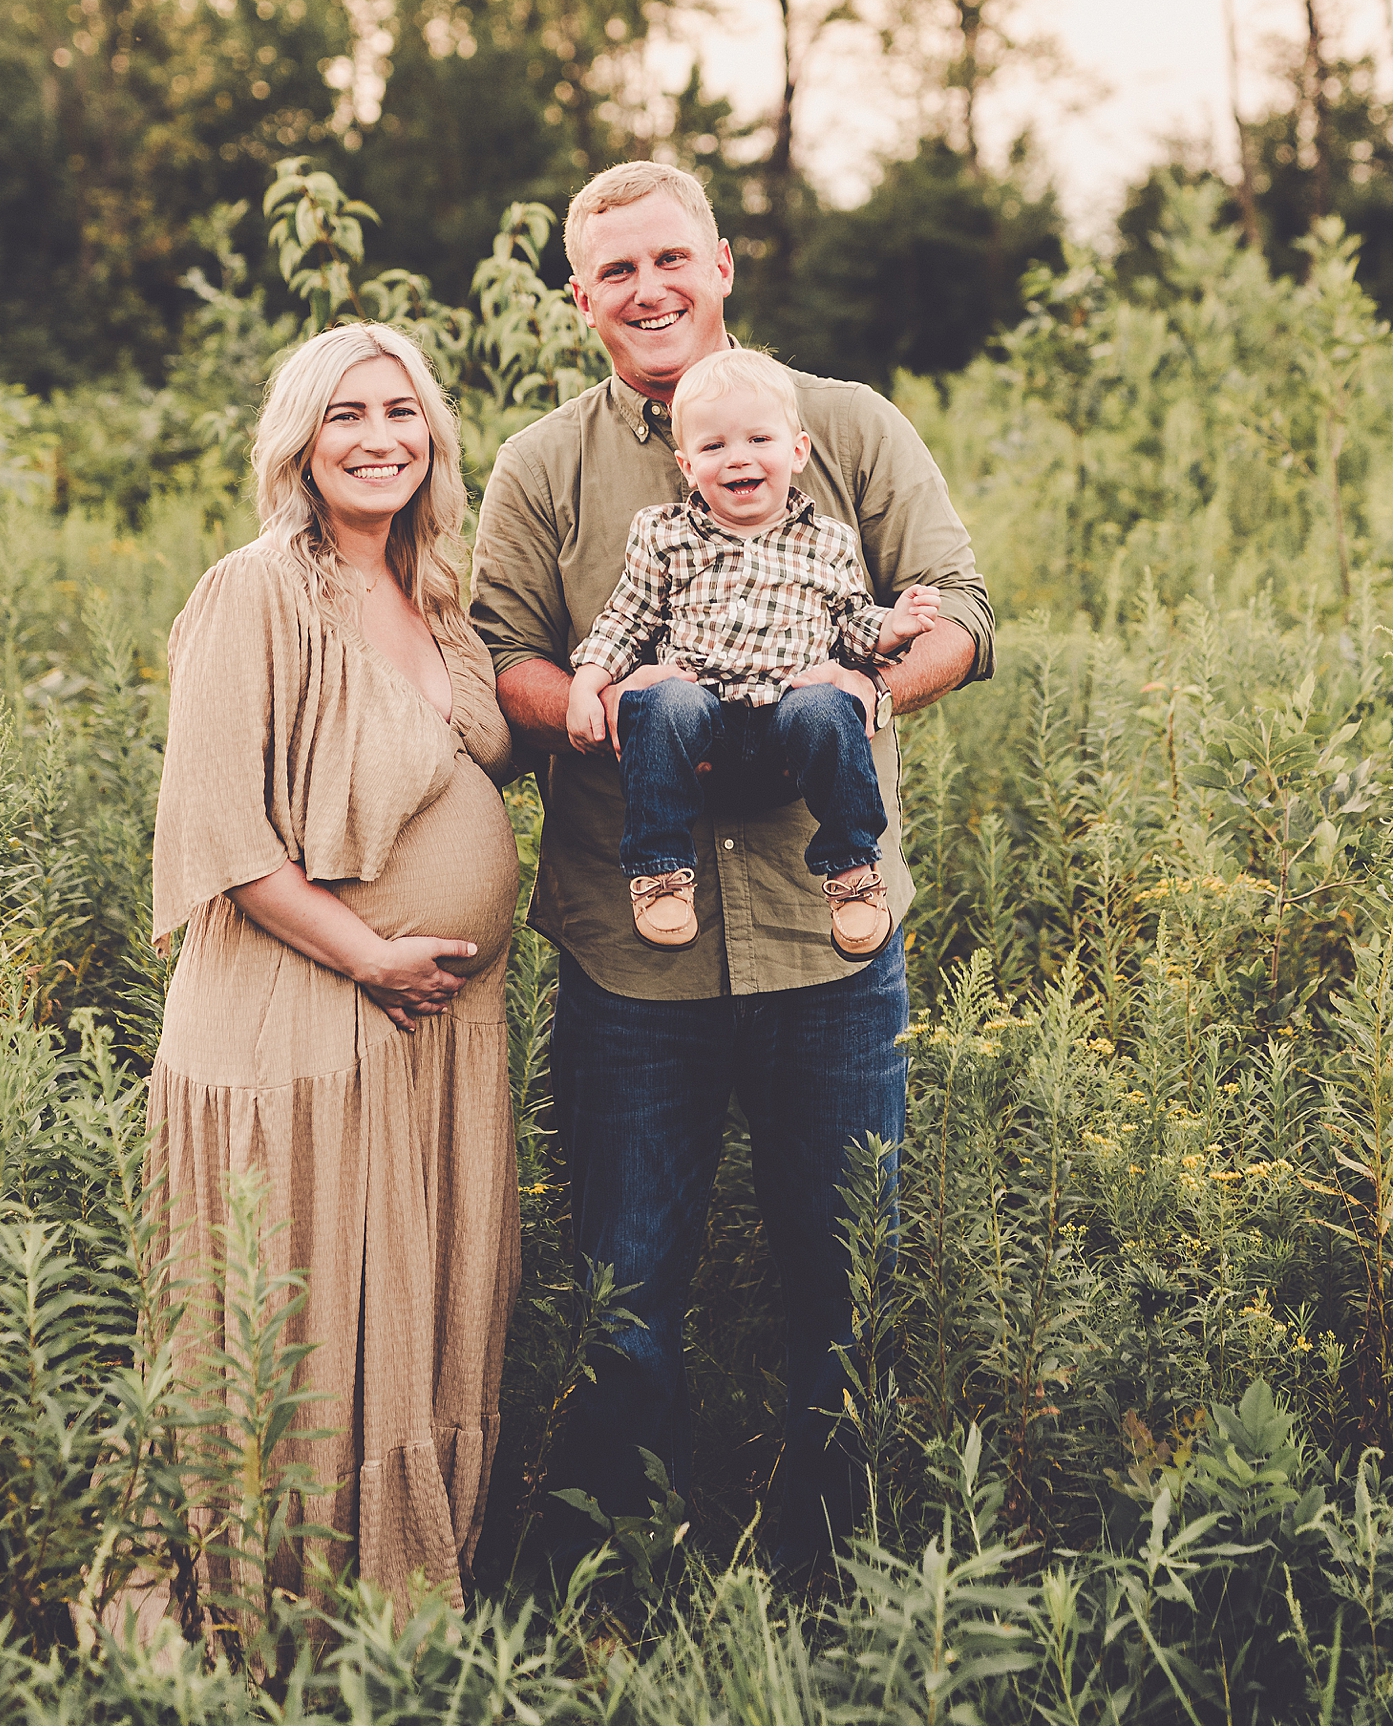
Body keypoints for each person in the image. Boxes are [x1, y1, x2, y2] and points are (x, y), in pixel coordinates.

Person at [470, 162, 994, 1578]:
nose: (647, 289)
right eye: (614, 271)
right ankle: (633, 1571)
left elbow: (961, 612)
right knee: (628, 1282)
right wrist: (609, 704)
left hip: (832, 938)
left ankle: (842, 1577)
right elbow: (502, 649)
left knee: (848, 1272)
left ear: (721, 261)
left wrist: (864, 681)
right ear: (579, 298)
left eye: (669, 258)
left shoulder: (850, 426)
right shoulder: (545, 464)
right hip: (630, 946)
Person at [147, 322, 521, 1618]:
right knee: (301, 1322)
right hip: (306, 1017)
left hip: (434, 1032)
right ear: (299, 439)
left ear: (434, 436)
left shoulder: (434, 593)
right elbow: (221, 832)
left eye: (401, 412)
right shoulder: (256, 588)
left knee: (403, 1317)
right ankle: (278, 1612)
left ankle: (399, 1601)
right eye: (346, 413)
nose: (379, 437)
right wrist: (371, 954)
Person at [565, 346, 942, 956]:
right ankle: (660, 870)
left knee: (829, 708)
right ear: (688, 466)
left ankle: (852, 872)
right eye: (713, 448)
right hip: (703, 712)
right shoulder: (665, 536)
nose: (737, 458)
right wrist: (589, 681)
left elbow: (851, 625)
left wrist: (892, 628)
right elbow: (626, 618)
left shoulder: (827, 543)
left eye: (758, 440)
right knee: (661, 703)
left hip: (787, 713)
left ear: (796, 452)